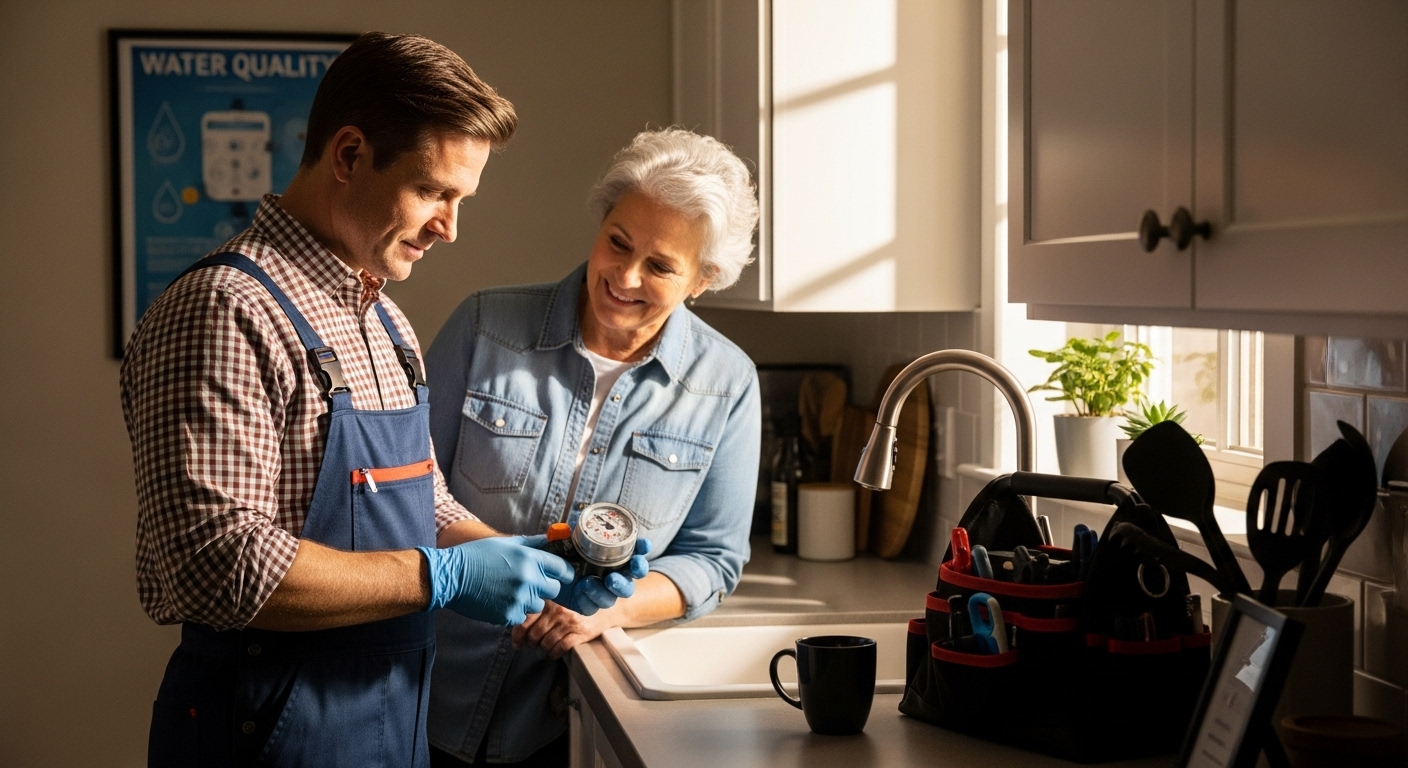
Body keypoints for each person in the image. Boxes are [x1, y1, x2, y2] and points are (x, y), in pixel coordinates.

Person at [121, 33, 643, 768]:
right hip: (266, 728)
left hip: (390, 719)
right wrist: (446, 577)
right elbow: (217, 562)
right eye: (433, 191)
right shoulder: (223, 309)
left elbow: (417, 498)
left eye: (461, 199)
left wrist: (528, 560)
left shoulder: (385, 320)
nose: (450, 228)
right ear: (348, 155)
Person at [424, 128, 762, 766]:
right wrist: (496, 566)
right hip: (434, 688)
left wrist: (612, 612)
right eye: (618, 242)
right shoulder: (484, 326)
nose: (624, 276)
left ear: (704, 279)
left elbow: (713, 558)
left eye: (660, 266)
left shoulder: (726, 382)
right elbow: (407, 487)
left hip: (571, 708)